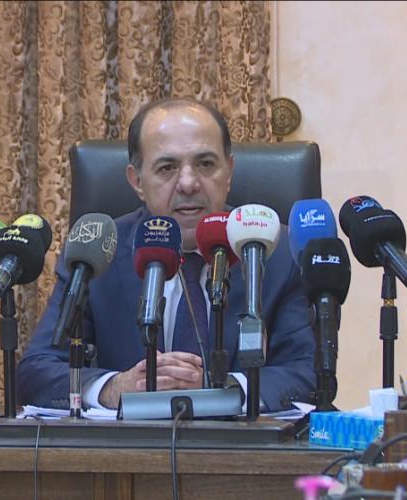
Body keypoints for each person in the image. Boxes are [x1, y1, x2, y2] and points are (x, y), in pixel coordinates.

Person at [17, 97, 315, 411]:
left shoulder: (278, 252)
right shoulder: (96, 253)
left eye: (205, 164)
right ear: (137, 181)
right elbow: (37, 371)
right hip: (132, 441)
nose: (188, 183)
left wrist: (218, 388)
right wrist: (114, 388)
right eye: (167, 168)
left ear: (229, 171)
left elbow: (310, 375)